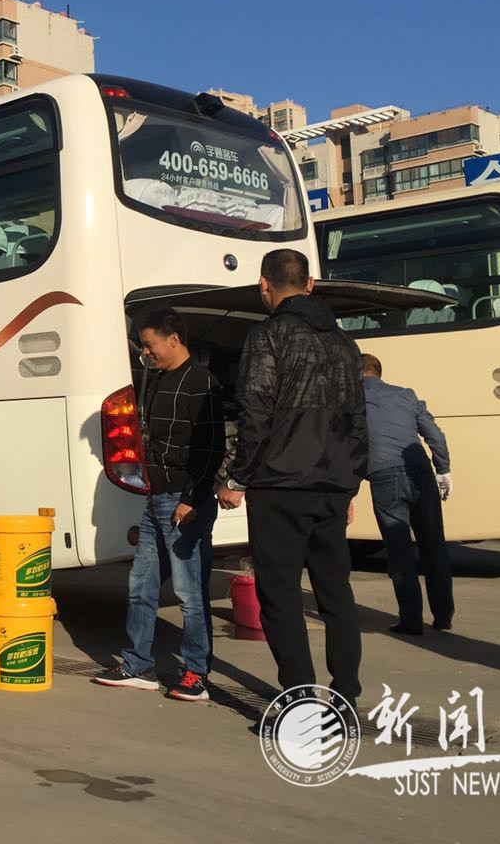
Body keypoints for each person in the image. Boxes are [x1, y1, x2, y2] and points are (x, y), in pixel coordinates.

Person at [217, 249, 367, 706]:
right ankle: (345, 694)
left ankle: (300, 700)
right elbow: (358, 420)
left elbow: (256, 411)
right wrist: (349, 482)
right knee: (335, 592)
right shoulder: (345, 344)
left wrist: (237, 478)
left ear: (264, 285)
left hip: (280, 485)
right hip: (332, 484)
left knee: (281, 594)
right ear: (311, 284)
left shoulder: (268, 336)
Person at [94, 308, 225, 701]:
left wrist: (191, 499)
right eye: (143, 346)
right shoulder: (159, 380)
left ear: (174, 339)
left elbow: (211, 448)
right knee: (140, 584)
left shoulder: (201, 383)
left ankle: (196, 673)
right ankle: (138, 665)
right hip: (157, 498)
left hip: (184, 501)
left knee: (189, 592)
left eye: (150, 345)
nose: (146, 353)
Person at [360, 353, 454, 635]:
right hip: (420, 474)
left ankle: (411, 619)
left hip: (383, 478)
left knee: (399, 552)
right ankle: (443, 616)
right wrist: (443, 468)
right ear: (379, 372)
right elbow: (434, 434)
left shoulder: (351, 400)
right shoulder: (406, 395)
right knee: (433, 546)